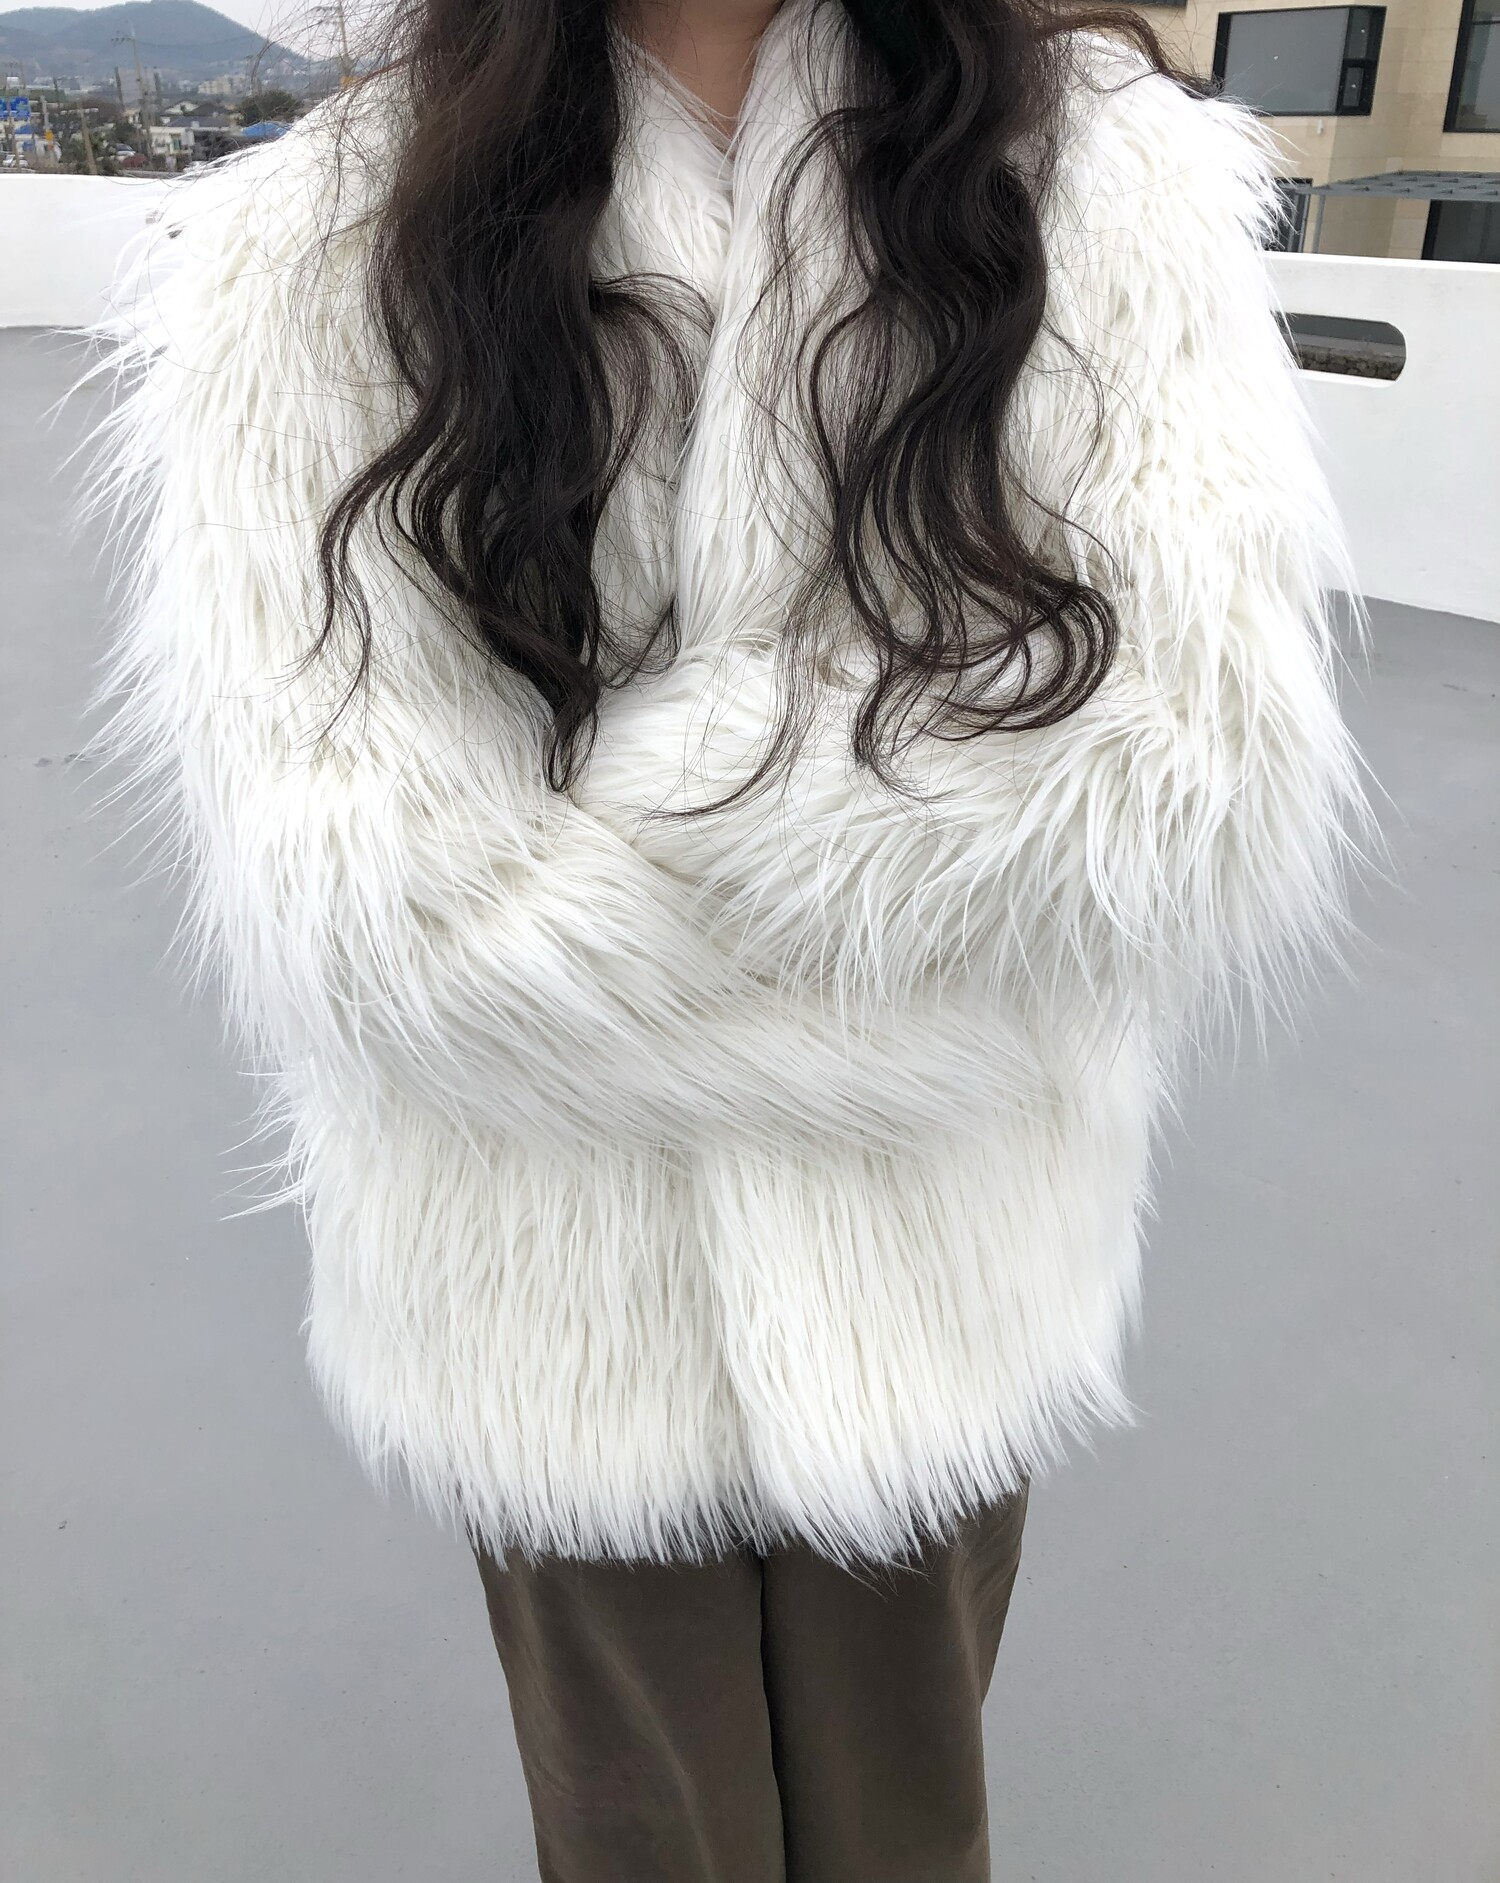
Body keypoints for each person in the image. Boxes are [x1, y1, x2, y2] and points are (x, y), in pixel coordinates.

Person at [84, 0, 1369, 1875]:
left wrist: (631, 825)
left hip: (937, 1260)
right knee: (640, 1838)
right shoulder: (323, 231)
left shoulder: (1093, 179)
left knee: (906, 1823)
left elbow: (1185, 752)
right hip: (552, 1281)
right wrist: (879, 915)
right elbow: (371, 875)